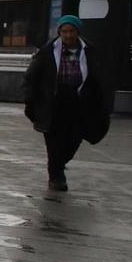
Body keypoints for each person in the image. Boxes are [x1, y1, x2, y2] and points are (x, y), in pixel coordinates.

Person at [24, 15, 114, 192]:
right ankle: (56, 176)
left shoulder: (90, 51)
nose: (68, 35)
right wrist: (30, 100)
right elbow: (31, 77)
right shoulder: (48, 51)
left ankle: (58, 163)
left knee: (74, 140)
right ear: (59, 32)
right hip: (54, 102)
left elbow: (101, 78)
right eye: (64, 31)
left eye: (71, 31)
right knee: (54, 141)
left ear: (78, 32)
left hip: (79, 102)